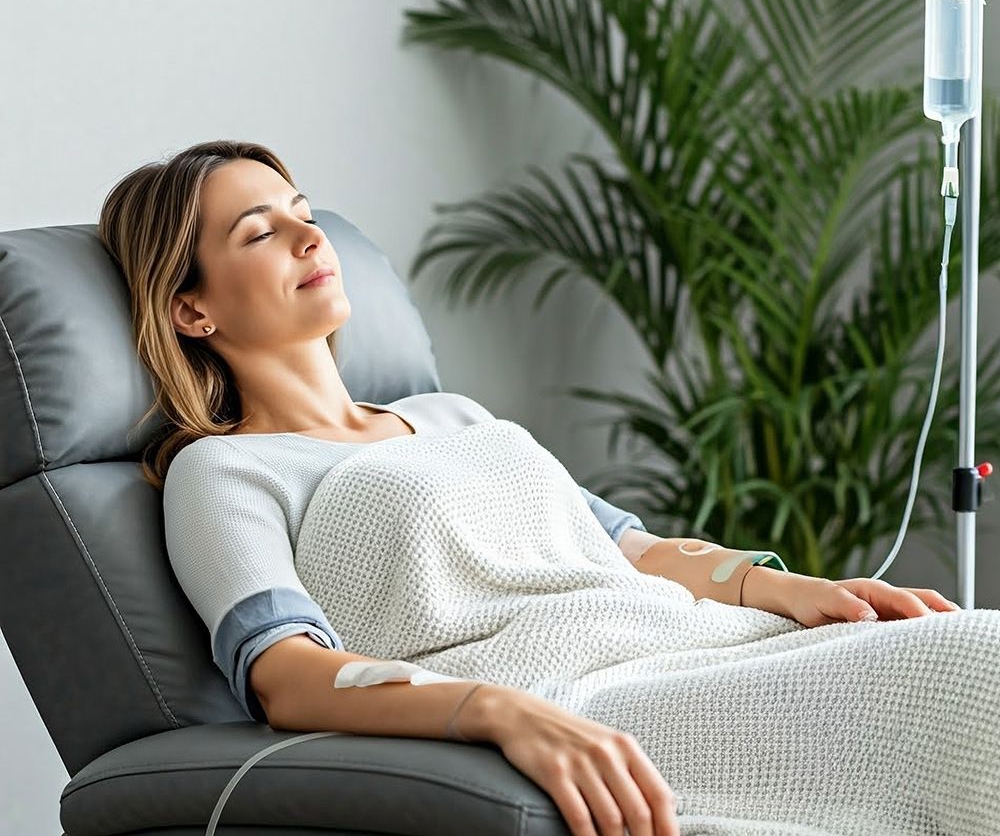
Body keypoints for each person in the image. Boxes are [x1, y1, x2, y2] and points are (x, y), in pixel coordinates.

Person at [98, 140, 980, 836]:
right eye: (260, 232)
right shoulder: (224, 470)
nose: (309, 236)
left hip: (704, 639)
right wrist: (496, 712)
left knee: (966, 646)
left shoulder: (451, 415)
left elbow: (632, 550)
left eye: (302, 212)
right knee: (972, 679)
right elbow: (285, 676)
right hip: (590, 697)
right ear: (191, 310)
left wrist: (790, 588)